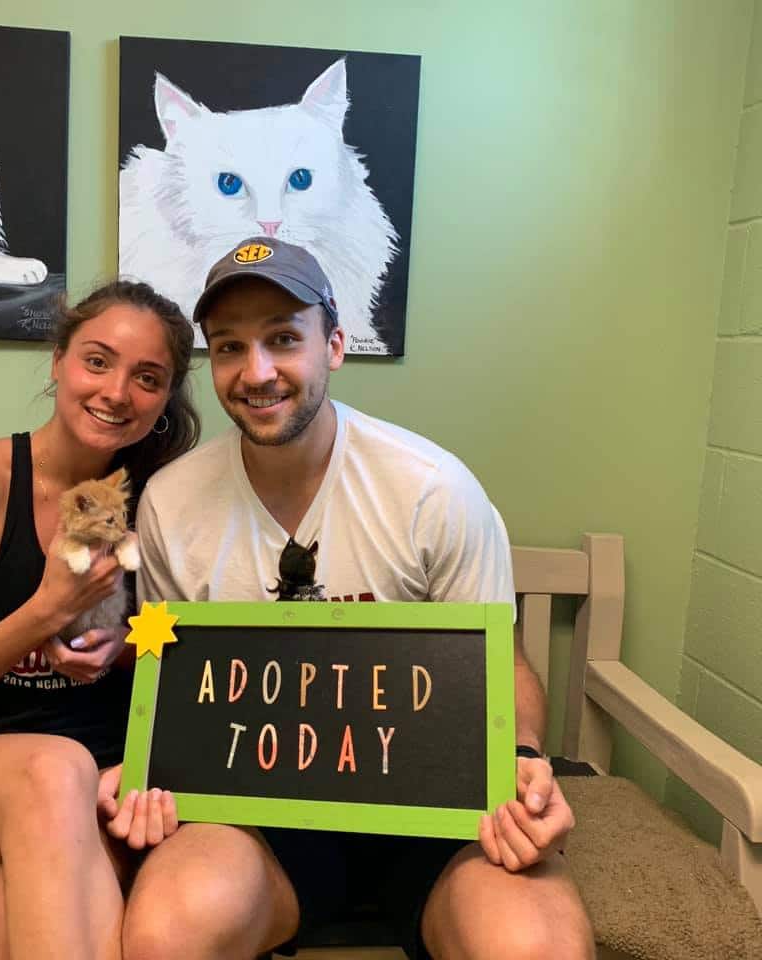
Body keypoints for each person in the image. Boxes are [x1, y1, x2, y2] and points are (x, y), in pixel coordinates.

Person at [127, 238, 595, 959]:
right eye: (229, 347)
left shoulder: (431, 489)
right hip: (259, 822)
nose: (257, 372)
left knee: (536, 950)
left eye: (284, 339)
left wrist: (523, 757)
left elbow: (502, 663)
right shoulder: (171, 502)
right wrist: (149, 773)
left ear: (335, 345)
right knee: (166, 933)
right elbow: (167, 679)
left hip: (438, 818)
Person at [0, 280, 199, 960]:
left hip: (115, 789)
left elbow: (185, 643)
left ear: (165, 399)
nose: (117, 392)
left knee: (14, 906)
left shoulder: (171, 499)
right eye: (97, 361)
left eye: (148, 378)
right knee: (56, 768)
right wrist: (43, 615)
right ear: (58, 361)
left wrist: (124, 645)